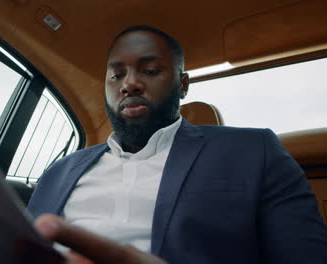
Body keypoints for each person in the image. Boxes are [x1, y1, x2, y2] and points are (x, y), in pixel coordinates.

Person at [28, 25, 327, 263]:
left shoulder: (254, 151)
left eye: (150, 70)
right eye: (116, 75)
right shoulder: (59, 171)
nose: (129, 83)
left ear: (183, 85)